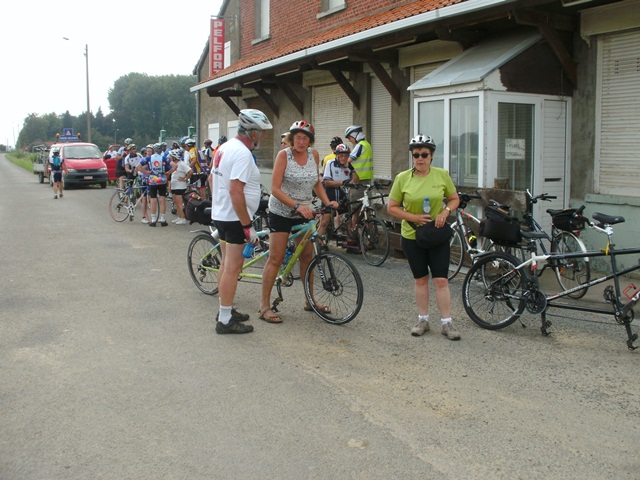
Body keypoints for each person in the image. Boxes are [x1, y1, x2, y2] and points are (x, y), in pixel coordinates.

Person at [259, 120, 339, 324]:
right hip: (282, 211)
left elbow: (316, 183)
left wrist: (327, 202)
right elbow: (275, 188)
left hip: (304, 212)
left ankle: (309, 300)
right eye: (297, 137)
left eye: (305, 138)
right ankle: (264, 307)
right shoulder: (283, 155)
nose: (301, 142)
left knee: (307, 258)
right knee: (275, 258)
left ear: (310, 141)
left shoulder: (314, 155)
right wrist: (296, 206)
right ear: (291, 138)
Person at [387, 135, 461, 340]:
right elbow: (391, 207)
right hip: (412, 236)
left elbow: (455, 199)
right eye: (416, 155)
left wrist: (445, 211)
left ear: (432, 156)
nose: (420, 158)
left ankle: (447, 323)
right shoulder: (403, 178)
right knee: (420, 279)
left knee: (441, 280)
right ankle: (423, 320)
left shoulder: (441, 175)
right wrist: (414, 217)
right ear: (412, 157)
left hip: (437, 235)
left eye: (424, 155)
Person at [211, 109, 273, 334]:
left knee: (226, 264)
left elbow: (212, 179)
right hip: (235, 218)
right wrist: (247, 226)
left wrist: (219, 205)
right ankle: (225, 320)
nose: (263, 137)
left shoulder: (224, 148)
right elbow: (236, 190)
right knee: (233, 268)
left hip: (222, 214)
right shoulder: (242, 154)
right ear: (253, 133)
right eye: (262, 133)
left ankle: (224, 310)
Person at [317, 143, 358, 238]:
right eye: (341, 156)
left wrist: (352, 169)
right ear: (337, 155)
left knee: (347, 221)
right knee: (325, 222)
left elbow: (356, 180)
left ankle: (350, 243)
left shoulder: (348, 166)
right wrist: (343, 182)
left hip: (343, 197)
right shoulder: (330, 163)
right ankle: (318, 243)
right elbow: (327, 182)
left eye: (346, 156)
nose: (344, 158)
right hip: (329, 196)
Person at [137, 143, 172, 227]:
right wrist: (168, 173)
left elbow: (138, 166)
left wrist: (147, 173)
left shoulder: (149, 158)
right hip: (162, 180)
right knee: (162, 199)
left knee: (153, 199)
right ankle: (163, 219)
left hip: (152, 180)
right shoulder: (164, 158)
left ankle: (153, 220)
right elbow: (174, 166)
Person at [124, 144, 150, 224]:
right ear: (130, 150)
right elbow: (126, 168)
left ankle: (137, 195)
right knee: (130, 187)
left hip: (138, 172)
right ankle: (126, 198)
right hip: (131, 173)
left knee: (139, 184)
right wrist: (131, 171)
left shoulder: (139, 155)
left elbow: (144, 163)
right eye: (133, 149)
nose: (135, 150)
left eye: (135, 148)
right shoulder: (127, 158)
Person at [168, 149, 192, 224]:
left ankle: (183, 218)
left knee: (179, 202)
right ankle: (179, 216)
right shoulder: (175, 164)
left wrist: (185, 178)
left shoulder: (181, 164)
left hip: (180, 186)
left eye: (171, 156)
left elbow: (190, 171)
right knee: (175, 201)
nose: (170, 157)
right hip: (175, 186)